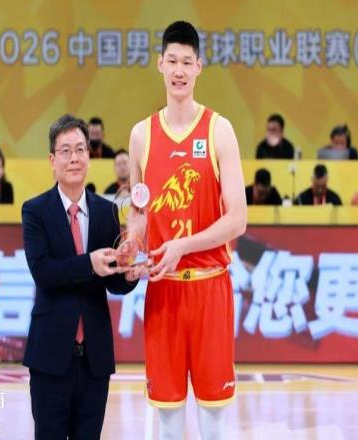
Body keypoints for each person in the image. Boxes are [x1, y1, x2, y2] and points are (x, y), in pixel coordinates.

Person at [126, 21, 247, 439]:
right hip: (163, 292)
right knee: (168, 416)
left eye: (187, 62)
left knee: (213, 417)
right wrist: (131, 245)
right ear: (160, 64)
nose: (179, 70)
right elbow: (139, 209)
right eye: (172, 61)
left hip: (211, 289)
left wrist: (183, 245)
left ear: (199, 67)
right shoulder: (141, 135)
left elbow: (237, 219)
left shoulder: (219, 130)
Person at [22, 114, 140, 439]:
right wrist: (89, 263)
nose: (73, 158)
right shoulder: (35, 211)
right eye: (65, 151)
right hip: (50, 358)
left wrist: (129, 273)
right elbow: (43, 272)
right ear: (52, 160)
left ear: (89, 155)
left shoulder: (105, 211)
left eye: (80, 149)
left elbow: (112, 280)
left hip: (94, 360)